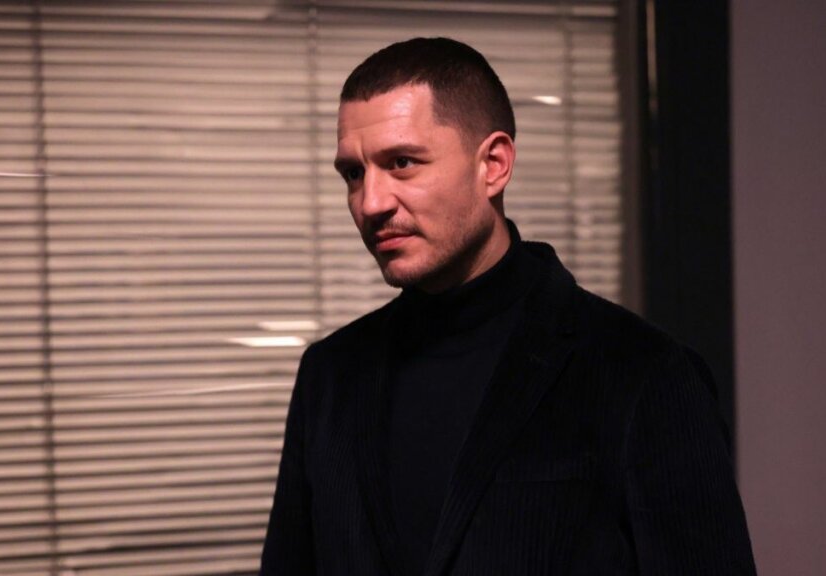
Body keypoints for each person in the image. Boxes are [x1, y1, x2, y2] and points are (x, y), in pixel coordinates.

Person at [260, 37, 756, 576]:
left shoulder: (644, 374)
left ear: (493, 165)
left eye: (402, 162)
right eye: (353, 174)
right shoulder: (329, 376)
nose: (370, 202)